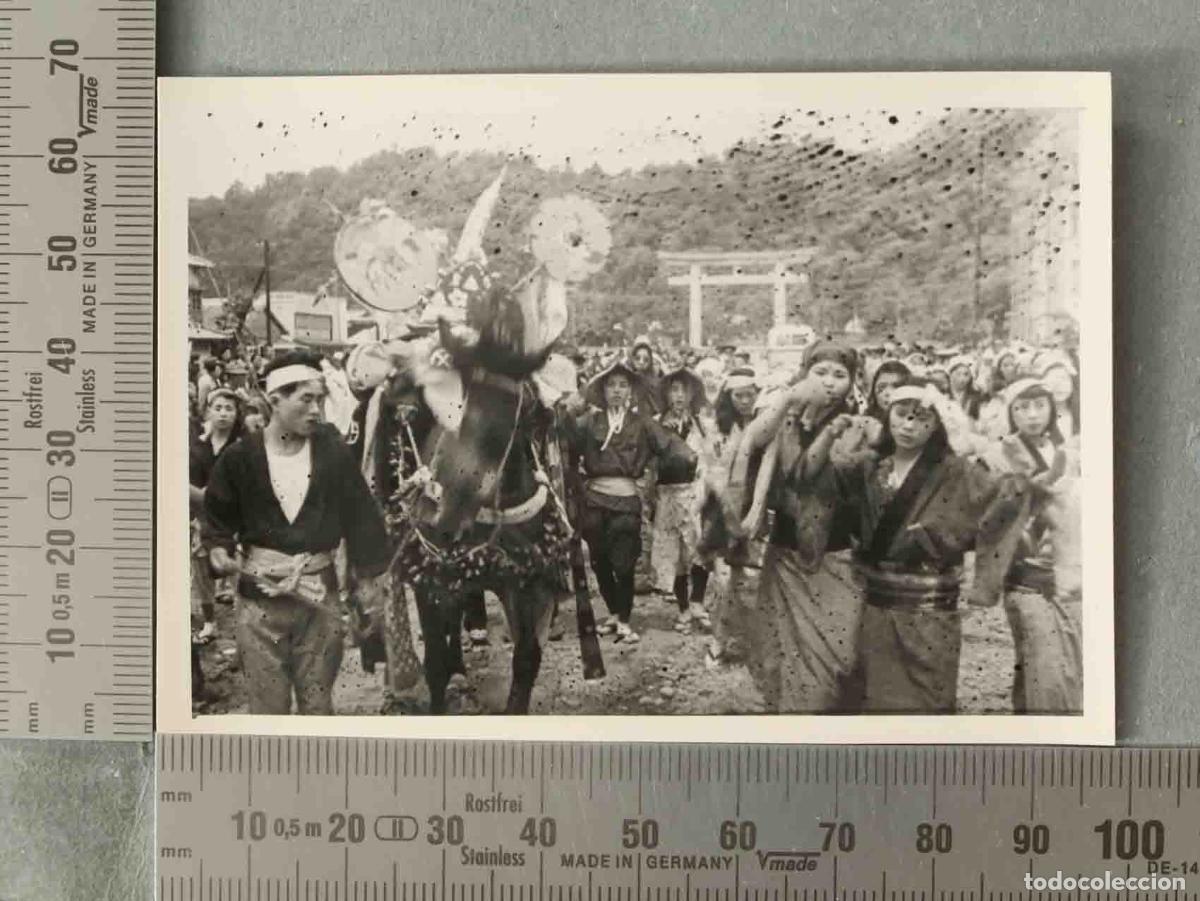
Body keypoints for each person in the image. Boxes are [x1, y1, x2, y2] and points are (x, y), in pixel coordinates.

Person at [818, 377, 1030, 713]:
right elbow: (827, 475)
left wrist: (945, 536)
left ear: (936, 426)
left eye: (922, 418)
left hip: (930, 605)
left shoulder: (955, 469)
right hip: (875, 603)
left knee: (928, 697)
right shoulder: (870, 464)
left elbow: (1006, 496)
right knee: (875, 695)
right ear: (888, 415)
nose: (909, 425)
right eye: (902, 414)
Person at [203, 351, 392, 715]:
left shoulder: (333, 453)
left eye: (320, 399)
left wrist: (368, 580)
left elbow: (361, 515)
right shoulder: (240, 458)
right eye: (306, 399)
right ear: (274, 400)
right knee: (267, 708)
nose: (317, 410)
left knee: (318, 705)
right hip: (259, 604)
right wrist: (218, 548)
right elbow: (218, 516)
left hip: (318, 600)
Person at [735, 342, 866, 712]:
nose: (829, 383)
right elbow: (754, 439)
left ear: (852, 382)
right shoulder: (785, 416)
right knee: (782, 650)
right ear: (804, 374)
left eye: (840, 375)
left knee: (836, 654)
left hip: (837, 554)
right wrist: (789, 398)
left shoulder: (857, 423)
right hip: (786, 553)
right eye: (819, 373)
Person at [565, 359, 694, 643]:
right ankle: (612, 613)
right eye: (611, 385)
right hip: (594, 500)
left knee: (624, 564)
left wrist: (689, 458)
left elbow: (674, 449)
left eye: (623, 385)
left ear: (632, 391)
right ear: (603, 390)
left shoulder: (643, 424)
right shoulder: (588, 422)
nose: (617, 391)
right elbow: (568, 453)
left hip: (626, 500)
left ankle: (624, 619)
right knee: (599, 562)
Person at [988, 377, 1082, 713]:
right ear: (1011, 413)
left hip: (1066, 571)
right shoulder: (998, 455)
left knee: (1056, 666)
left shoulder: (1066, 452)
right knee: (1045, 665)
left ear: (1052, 409)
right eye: (1023, 407)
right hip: (1025, 575)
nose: (1032, 415)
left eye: (1040, 405)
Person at [651, 367, 713, 634]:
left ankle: (698, 600)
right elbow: (651, 463)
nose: (679, 395)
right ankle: (684, 608)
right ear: (666, 394)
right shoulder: (656, 424)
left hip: (695, 492)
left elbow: (710, 457)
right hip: (667, 494)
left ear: (692, 394)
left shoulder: (701, 423)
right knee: (675, 554)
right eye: (674, 389)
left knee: (699, 549)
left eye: (684, 390)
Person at [189, 388, 245, 645]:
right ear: (208, 411)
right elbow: (189, 481)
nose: (223, 414)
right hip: (202, 516)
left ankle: (244, 630)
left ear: (236, 414)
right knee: (201, 567)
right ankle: (210, 623)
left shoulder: (242, 446)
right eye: (218, 408)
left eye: (229, 409)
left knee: (237, 569)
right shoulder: (198, 445)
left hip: (234, 518)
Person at [946, 355, 983, 420]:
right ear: (950, 375)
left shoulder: (976, 396)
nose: (962, 378)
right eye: (958, 374)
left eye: (966, 374)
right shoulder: (943, 394)